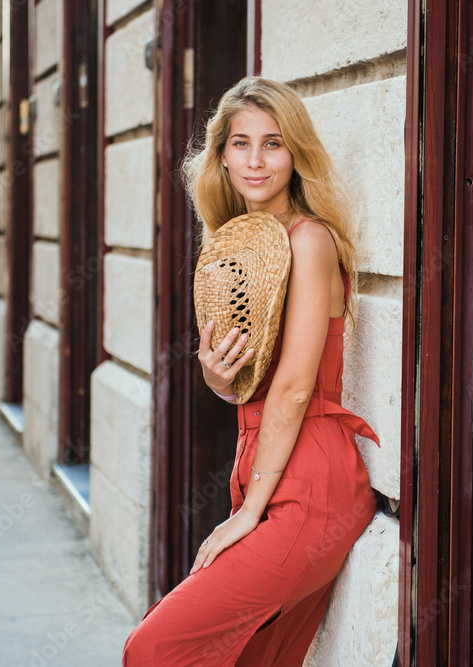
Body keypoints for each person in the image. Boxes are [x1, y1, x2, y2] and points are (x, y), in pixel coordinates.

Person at [122, 76, 380, 665]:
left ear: (297, 154)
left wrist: (247, 513)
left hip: (311, 482)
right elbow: (254, 384)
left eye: (274, 143)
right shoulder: (237, 246)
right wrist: (218, 378)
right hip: (268, 467)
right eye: (241, 143)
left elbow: (292, 390)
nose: (256, 160)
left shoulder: (309, 240)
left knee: (154, 648)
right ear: (221, 156)